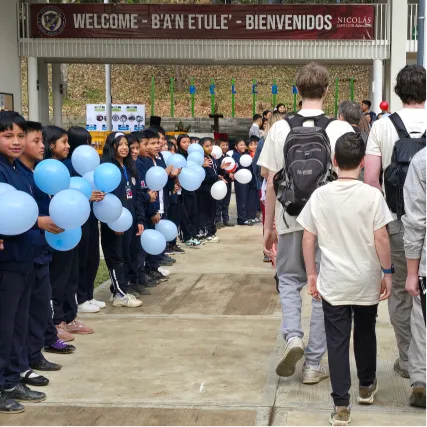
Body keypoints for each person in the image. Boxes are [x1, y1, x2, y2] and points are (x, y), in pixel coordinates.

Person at [258, 62, 354, 384]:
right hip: (330, 223)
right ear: (327, 91)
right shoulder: (341, 130)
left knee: (288, 281)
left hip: (290, 218)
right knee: (322, 289)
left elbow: (271, 181)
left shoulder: (280, 129)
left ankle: (293, 338)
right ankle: (313, 364)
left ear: (297, 92)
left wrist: (268, 226)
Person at [297, 132, 393, 426]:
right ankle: (366, 385)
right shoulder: (373, 195)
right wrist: (387, 273)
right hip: (365, 279)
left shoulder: (321, 195)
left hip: (334, 281)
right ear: (363, 163)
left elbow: (308, 238)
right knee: (366, 332)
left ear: (334, 161)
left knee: (336, 341)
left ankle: (341, 406)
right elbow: (381, 238)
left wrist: (312, 274)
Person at [364, 64, 427, 386]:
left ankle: (408, 361)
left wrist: (386, 220)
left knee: (404, 292)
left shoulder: (382, 127)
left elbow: (372, 181)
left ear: (398, 92)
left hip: (399, 223)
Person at [17, 121, 71, 389]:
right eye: (35, 141)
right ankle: (19, 367)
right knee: (20, 314)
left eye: (41, 141)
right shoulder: (12, 174)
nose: (41, 146)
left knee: (38, 307)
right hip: (22, 252)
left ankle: (33, 354)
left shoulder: (36, 173)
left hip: (41, 249)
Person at [0, 111, 46, 413]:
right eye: (8, 136)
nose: (16, 142)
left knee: (17, 322)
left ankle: (13, 377)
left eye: (19, 136)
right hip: (6, 262)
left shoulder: (17, 169)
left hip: (24, 256)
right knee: (4, 326)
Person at [44, 126, 94, 338]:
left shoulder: (66, 167)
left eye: (68, 142)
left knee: (71, 274)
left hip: (71, 229)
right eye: (63, 142)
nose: (68, 146)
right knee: (57, 277)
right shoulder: (45, 170)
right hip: (54, 231)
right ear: (50, 144)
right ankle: (56, 322)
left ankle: (69, 316)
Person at [100, 132, 143, 308]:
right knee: (115, 256)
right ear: (112, 146)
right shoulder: (106, 168)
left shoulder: (128, 167)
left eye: (126, 144)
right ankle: (120, 293)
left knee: (125, 255)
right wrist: (113, 222)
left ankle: (118, 289)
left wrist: (139, 218)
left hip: (129, 219)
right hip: (113, 221)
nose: (125, 148)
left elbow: (136, 196)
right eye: (120, 144)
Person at [66, 126, 105, 315]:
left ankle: (89, 294)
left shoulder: (91, 165)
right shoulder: (67, 166)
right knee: (80, 258)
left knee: (92, 256)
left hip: (90, 216)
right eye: (86, 143)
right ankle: (80, 297)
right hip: (76, 218)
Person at [402, 147, 427, 408]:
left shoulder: (422, 160)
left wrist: (412, 273)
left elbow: (416, 221)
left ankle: (421, 380)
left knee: (422, 318)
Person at [177, 134, 202, 247]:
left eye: (188, 142)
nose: (187, 144)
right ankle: (186, 236)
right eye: (184, 142)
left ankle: (193, 234)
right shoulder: (178, 156)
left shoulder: (193, 155)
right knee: (185, 213)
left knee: (194, 212)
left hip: (193, 188)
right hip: (183, 190)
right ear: (179, 144)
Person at [197, 137, 220, 243]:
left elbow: (216, 170)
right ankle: (205, 232)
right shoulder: (200, 159)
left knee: (212, 211)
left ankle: (211, 230)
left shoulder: (212, 158)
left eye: (210, 145)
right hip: (204, 190)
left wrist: (221, 169)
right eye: (206, 146)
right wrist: (216, 177)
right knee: (204, 211)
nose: (210, 148)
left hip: (213, 190)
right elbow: (203, 177)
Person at [233, 138, 256, 226]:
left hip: (247, 180)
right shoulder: (235, 156)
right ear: (236, 146)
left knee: (246, 199)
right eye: (240, 145)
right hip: (240, 180)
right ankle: (241, 219)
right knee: (241, 200)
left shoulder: (246, 154)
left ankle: (245, 217)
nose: (243, 146)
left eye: (243, 145)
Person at [215, 138, 234, 228]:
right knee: (219, 201)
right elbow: (218, 168)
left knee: (226, 201)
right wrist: (227, 173)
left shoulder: (228, 156)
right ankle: (218, 220)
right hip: (220, 180)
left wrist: (233, 173)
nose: (225, 147)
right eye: (223, 145)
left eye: (226, 145)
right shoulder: (217, 157)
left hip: (228, 181)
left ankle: (226, 219)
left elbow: (232, 167)